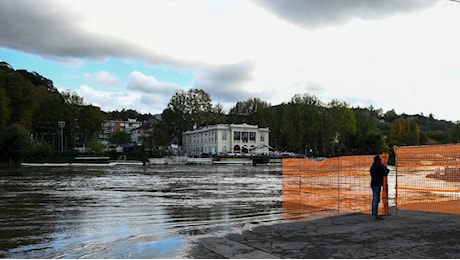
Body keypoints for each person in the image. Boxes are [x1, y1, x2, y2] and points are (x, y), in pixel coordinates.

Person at [370, 155, 389, 220]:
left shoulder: (372, 166)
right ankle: (375, 214)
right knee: (376, 199)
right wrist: (386, 169)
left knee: (374, 199)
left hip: (373, 183)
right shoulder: (378, 165)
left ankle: (373, 212)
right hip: (377, 184)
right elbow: (385, 172)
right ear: (379, 160)